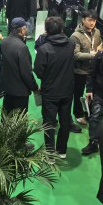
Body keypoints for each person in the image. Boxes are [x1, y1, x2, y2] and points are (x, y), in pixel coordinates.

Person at [33, 16, 75, 158]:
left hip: (50, 91)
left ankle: (50, 153)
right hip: (67, 90)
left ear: (46, 30)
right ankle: (62, 151)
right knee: (65, 122)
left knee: (49, 124)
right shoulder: (71, 43)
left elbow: (38, 71)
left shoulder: (44, 49)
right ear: (62, 28)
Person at [0, 17, 38, 114]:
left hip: (7, 88)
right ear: (22, 30)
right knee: (19, 119)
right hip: (20, 91)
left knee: (6, 116)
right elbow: (26, 72)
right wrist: (34, 87)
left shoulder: (4, 42)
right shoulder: (22, 48)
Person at [72, 10, 103, 127]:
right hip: (80, 70)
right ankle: (78, 114)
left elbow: (99, 45)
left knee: (92, 93)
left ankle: (90, 113)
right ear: (83, 20)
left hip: (94, 69)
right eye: (89, 20)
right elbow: (75, 55)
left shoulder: (97, 32)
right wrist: (92, 55)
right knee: (78, 93)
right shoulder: (76, 36)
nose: (92, 23)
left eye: (94, 20)